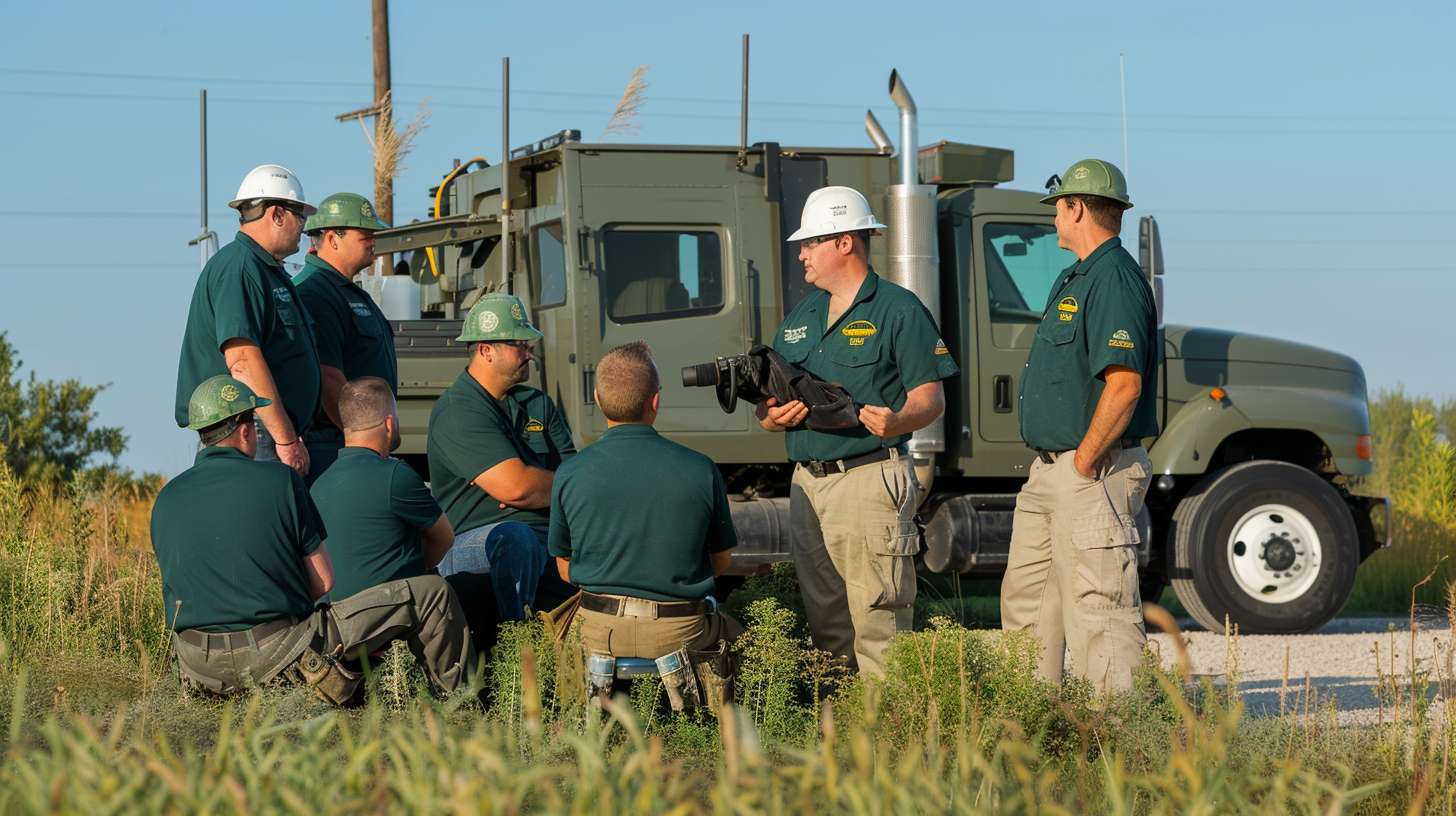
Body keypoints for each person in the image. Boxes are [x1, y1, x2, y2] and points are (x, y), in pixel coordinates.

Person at [153, 375, 478, 703]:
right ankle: (459, 710)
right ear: (246, 430)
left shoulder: (165, 500)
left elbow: (175, 592)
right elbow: (323, 582)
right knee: (431, 594)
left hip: (198, 664)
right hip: (273, 651)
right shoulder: (280, 481)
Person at [760, 186, 959, 677]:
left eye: (811, 242)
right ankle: (841, 746)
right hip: (808, 484)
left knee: (880, 629)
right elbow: (769, 401)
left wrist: (898, 421)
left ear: (845, 242)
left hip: (868, 480)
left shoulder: (898, 309)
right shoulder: (800, 318)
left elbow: (931, 399)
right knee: (826, 630)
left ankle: (893, 749)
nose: (801, 252)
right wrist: (770, 418)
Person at [1000, 158, 1158, 695]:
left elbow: (1124, 385)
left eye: (1058, 208)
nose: (1053, 221)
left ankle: (1121, 748)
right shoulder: (1077, 277)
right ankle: (1031, 735)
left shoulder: (1113, 278)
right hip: (1051, 474)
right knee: (1027, 609)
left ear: (1077, 207)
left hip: (1091, 471)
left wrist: (1086, 461)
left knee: (1100, 614)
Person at [548, 341, 738, 708]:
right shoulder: (700, 468)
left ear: (598, 400)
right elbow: (722, 561)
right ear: (655, 401)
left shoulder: (570, 473)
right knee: (739, 631)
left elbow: (565, 569)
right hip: (679, 631)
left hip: (599, 631)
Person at [426, 293, 573, 622]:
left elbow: (574, 478)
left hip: (547, 533)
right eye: (518, 344)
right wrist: (528, 486)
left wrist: (535, 485)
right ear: (485, 350)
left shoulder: (537, 404)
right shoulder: (458, 409)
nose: (529, 353)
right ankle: (517, 645)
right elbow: (518, 488)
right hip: (475, 541)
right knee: (514, 538)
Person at [174, 164, 322, 477]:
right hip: (251, 428)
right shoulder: (240, 268)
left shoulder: (263, 269)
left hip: (262, 426)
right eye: (301, 216)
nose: (304, 227)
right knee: (263, 521)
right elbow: (242, 360)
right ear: (278, 214)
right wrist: (285, 439)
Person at [308, 377, 453, 601]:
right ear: (388, 424)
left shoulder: (318, 485)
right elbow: (444, 538)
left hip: (334, 619)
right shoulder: (395, 475)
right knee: (441, 589)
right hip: (385, 613)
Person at [293, 193, 395, 483]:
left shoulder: (342, 290)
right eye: (365, 233)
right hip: (336, 447)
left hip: (350, 446)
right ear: (332, 238)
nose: (373, 240)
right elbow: (328, 379)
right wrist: (364, 445)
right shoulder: (315, 292)